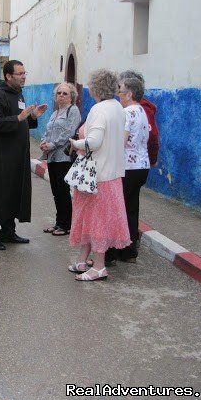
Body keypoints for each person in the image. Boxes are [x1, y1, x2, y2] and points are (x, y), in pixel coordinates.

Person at [67, 69, 130, 281]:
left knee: (96, 220)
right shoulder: (118, 108)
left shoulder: (99, 109)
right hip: (110, 174)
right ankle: (83, 260)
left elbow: (94, 142)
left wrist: (76, 144)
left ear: (95, 87)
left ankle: (99, 266)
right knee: (91, 218)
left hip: (96, 175)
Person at [0, 60, 48, 250]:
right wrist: (18, 118)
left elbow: (22, 121)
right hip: (1, 156)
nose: (24, 76)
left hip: (17, 155)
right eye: (20, 73)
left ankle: (8, 231)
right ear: (8, 76)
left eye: (25, 73)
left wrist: (32, 117)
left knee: (13, 191)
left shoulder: (18, 94)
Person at [107, 77, 150, 264]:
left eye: (121, 92)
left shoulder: (127, 112)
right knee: (131, 209)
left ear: (130, 94)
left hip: (127, 166)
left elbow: (121, 141)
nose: (119, 95)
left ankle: (113, 252)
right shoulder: (141, 111)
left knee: (117, 208)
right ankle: (129, 251)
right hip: (141, 166)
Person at [39, 82, 82, 236]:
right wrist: (44, 142)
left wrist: (52, 144)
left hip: (63, 157)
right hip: (52, 157)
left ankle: (66, 224)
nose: (61, 96)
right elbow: (48, 130)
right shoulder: (54, 113)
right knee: (56, 191)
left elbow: (69, 132)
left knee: (63, 192)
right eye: (59, 93)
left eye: (65, 93)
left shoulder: (73, 111)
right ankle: (59, 223)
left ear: (72, 97)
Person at [119, 70, 159, 167]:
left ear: (129, 92)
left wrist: (153, 160)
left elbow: (153, 135)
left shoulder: (138, 110)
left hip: (130, 165)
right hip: (141, 163)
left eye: (120, 88)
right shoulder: (140, 109)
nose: (118, 92)